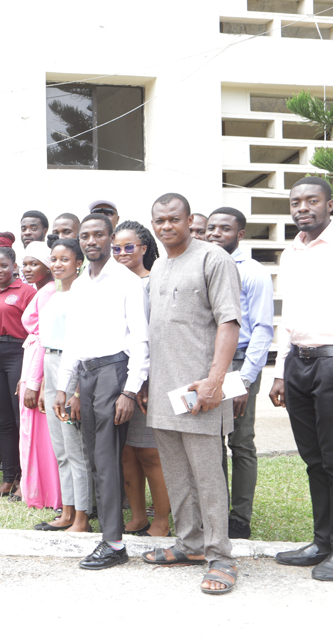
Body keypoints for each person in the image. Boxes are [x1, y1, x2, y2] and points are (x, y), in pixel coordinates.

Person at [141, 193, 241, 595]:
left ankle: (220, 556)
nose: (166, 226)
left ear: (189, 220)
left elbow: (229, 322)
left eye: (174, 219)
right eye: (159, 220)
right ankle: (189, 544)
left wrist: (216, 380)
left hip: (199, 390)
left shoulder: (213, 258)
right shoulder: (160, 266)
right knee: (177, 474)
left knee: (207, 476)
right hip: (165, 390)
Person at [270, 176, 333, 582]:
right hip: (298, 364)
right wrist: (279, 372)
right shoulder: (292, 252)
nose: (302, 207)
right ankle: (321, 542)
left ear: (330, 205)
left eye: (312, 200)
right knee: (313, 460)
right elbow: (288, 315)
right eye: (296, 202)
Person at [53, 212, 149, 570]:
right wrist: (65, 385)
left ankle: (113, 543)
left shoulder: (126, 281)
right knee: (95, 457)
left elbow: (141, 339)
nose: (91, 241)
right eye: (85, 236)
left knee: (108, 460)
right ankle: (109, 536)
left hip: (114, 372)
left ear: (110, 238)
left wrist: (129, 390)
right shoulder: (79, 285)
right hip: (88, 376)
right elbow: (74, 340)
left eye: (98, 235)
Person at [207, 207, 274, 540]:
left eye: (225, 228)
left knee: (241, 441)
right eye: (212, 228)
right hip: (210, 364)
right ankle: (217, 509)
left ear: (240, 234)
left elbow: (262, 328)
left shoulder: (253, 272)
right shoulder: (205, 266)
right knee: (211, 440)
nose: (217, 233)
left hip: (240, 363)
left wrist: (245, 380)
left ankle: (240, 517)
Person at [111, 220, 170, 538]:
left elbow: (154, 335)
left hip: (148, 380)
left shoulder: (153, 282)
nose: (121, 253)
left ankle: (161, 519)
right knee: (126, 452)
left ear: (144, 248)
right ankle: (137, 517)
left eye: (129, 247)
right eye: (116, 248)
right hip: (118, 379)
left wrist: (144, 381)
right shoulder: (111, 284)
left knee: (149, 452)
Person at [35, 239, 93, 533]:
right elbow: (47, 344)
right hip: (51, 367)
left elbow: (83, 346)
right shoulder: (54, 296)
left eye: (65, 259)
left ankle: (82, 517)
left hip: (72, 370)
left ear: (79, 263)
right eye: (54, 259)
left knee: (76, 450)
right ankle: (67, 511)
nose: (57, 264)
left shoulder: (84, 296)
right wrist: (46, 384)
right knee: (60, 450)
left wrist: (79, 391)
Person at [0, 236, 37, 498]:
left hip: (18, 354)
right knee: (3, 421)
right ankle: (8, 478)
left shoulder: (27, 292)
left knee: (19, 418)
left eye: (3, 266)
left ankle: (26, 478)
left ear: (14, 267)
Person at [17, 241, 61, 509]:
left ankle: (45, 494)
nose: (28, 269)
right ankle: (38, 492)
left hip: (40, 364)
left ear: (48, 265)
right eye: (25, 264)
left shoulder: (48, 291)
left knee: (39, 436)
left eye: (35, 263)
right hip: (32, 360)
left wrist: (34, 382)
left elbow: (46, 338)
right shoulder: (44, 290)